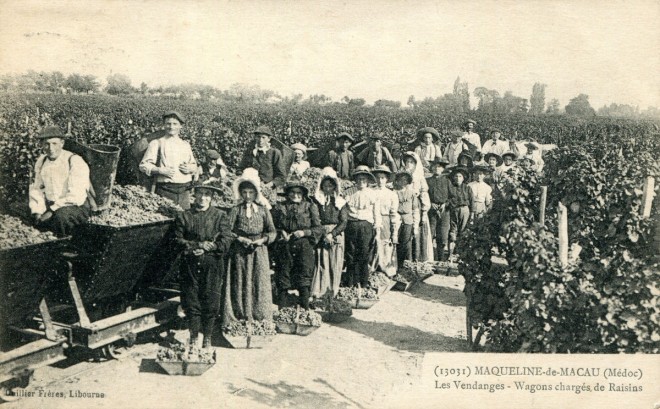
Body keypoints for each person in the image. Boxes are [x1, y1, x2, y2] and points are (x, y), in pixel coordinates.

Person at [175, 185, 233, 349]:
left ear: (211, 197)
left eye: (207, 194)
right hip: (190, 264)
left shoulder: (220, 216)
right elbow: (178, 240)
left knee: (210, 300)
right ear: (194, 196)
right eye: (199, 194)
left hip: (212, 264)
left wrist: (212, 247)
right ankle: (193, 337)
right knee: (191, 299)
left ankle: (207, 337)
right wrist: (196, 245)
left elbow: (227, 239)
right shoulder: (184, 216)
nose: (202, 198)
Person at [223, 168, 276, 327]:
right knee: (240, 281)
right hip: (239, 251)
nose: (247, 196)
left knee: (258, 282)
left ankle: (259, 316)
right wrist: (239, 238)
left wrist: (263, 240)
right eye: (244, 192)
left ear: (256, 193)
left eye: (251, 192)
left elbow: (272, 231)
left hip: (259, 251)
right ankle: (239, 315)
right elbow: (226, 230)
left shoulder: (263, 210)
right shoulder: (235, 210)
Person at [29, 126, 92, 237]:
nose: (50, 148)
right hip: (52, 204)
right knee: (19, 209)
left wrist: (51, 211)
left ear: (62, 143)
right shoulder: (42, 160)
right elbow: (37, 188)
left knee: (61, 217)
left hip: (75, 206)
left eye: (54, 144)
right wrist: (37, 211)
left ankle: (63, 243)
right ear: (41, 145)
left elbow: (75, 196)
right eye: (46, 144)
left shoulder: (74, 161)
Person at [271, 181, 323, 309]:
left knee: (304, 276)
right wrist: (280, 232)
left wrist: (304, 232)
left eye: (299, 192)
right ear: (287, 194)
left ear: (303, 194)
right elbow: (271, 226)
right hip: (285, 245)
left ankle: (304, 308)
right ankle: (282, 310)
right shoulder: (279, 207)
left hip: (304, 245)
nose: (295, 195)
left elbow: (319, 229)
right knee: (283, 274)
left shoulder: (310, 206)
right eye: (292, 192)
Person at [139, 111, 198, 210]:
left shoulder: (185, 145)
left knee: (185, 220)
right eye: (168, 123)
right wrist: (160, 170)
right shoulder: (157, 143)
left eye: (175, 124)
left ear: (181, 126)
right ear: (164, 125)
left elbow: (194, 165)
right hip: (166, 189)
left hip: (184, 190)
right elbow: (144, 165)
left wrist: (190, 168)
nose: (171, 127)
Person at [310, 167, 348, 298]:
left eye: (330, 185)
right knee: (321, 262)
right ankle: (319, 291)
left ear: (335, 186)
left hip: (336, 234)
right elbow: (315, 219)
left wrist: (332, 234)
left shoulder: (340, 201)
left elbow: (343, 221)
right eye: (325, 185)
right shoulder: (316, 201)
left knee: (335, 262)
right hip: (321, 233)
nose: (328, 188)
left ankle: (332, 291)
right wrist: (323, 233)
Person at [343, 166, 380, 288]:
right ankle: (350, 281)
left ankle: (363, 281)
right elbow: (342, 208)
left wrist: (376, 226)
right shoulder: (348, 192)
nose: (361, 182)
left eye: (364, 179)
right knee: (350, 253)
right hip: (352, 224)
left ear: (368, 180)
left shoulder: (372, 194)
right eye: (359, 179)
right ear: (355, 179)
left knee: (364, 253)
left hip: (366, 225)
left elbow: (376, 211)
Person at [400, 151, 433, 261]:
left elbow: (424, 193)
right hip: (403, 206)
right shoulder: (400, 175)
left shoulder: (419, 177)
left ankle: (417, 258)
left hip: (416, 207)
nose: (409, 164)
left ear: (416, 164)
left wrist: (424, 213)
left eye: (412, 162)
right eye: (407, 162)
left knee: (417, 233)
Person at [371, 165, 400, 277]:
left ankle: (386, 269)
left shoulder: (391, 194)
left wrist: (394, 231)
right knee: (373, 244)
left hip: (385, 219)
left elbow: (393, 213)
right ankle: (373, 268)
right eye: (378, 177)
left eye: (383, 178)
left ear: (387, 179)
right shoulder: (371, 191)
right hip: (372, 219)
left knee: (385, 244)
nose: (380, 180)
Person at [426, 158, 451, 261]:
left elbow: (452, 196)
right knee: (430, 235)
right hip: (431, 211)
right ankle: (430, 258)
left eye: (439, 167)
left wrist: (445, 204)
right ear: (432, 168)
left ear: (443, 169)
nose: (437, 168)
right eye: (435, 166)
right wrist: (430, 204)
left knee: (443, 236)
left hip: (444, 211)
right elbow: (424, 195)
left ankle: (440, 259)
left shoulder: (447, 181)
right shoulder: (427, 181)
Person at [393, 170, 419, 267]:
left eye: (405, 180)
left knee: (404, 244)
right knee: (395, 242)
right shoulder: (394, 192)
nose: (403, 182)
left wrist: (415, 226)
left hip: (408, 220)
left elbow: (415, 209)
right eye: (401, 179)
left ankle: (401, 265)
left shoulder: (412, 193)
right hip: (396, 219)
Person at [446, 166, 472, 260]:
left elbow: (471, 201)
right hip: (453, 210)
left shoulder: (467, 188)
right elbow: (447, 198)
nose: (457, 178)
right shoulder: (451, 187)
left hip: (465, 210)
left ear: (463, 178)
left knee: (463, 232)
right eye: (456, 176)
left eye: (460, 176)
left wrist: (472, 214)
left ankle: (460, 254)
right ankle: (450, 254)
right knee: (452, 232)